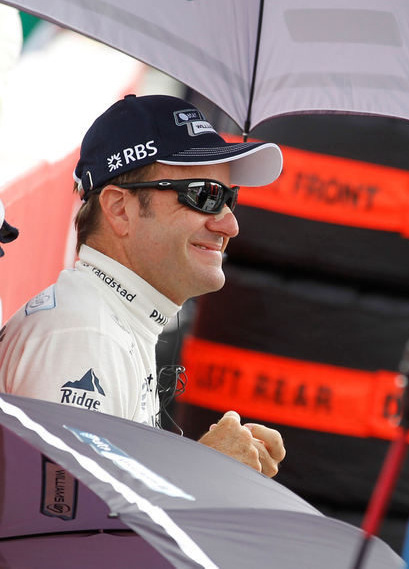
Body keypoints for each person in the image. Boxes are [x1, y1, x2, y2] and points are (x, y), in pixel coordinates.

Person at [0, 94, 286, 477]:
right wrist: (204, 473)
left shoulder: (108, 319)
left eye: (230, 198)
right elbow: (63, 528)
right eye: (205, 196)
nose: (229, 225)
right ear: (119, 209)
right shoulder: (87, 334)